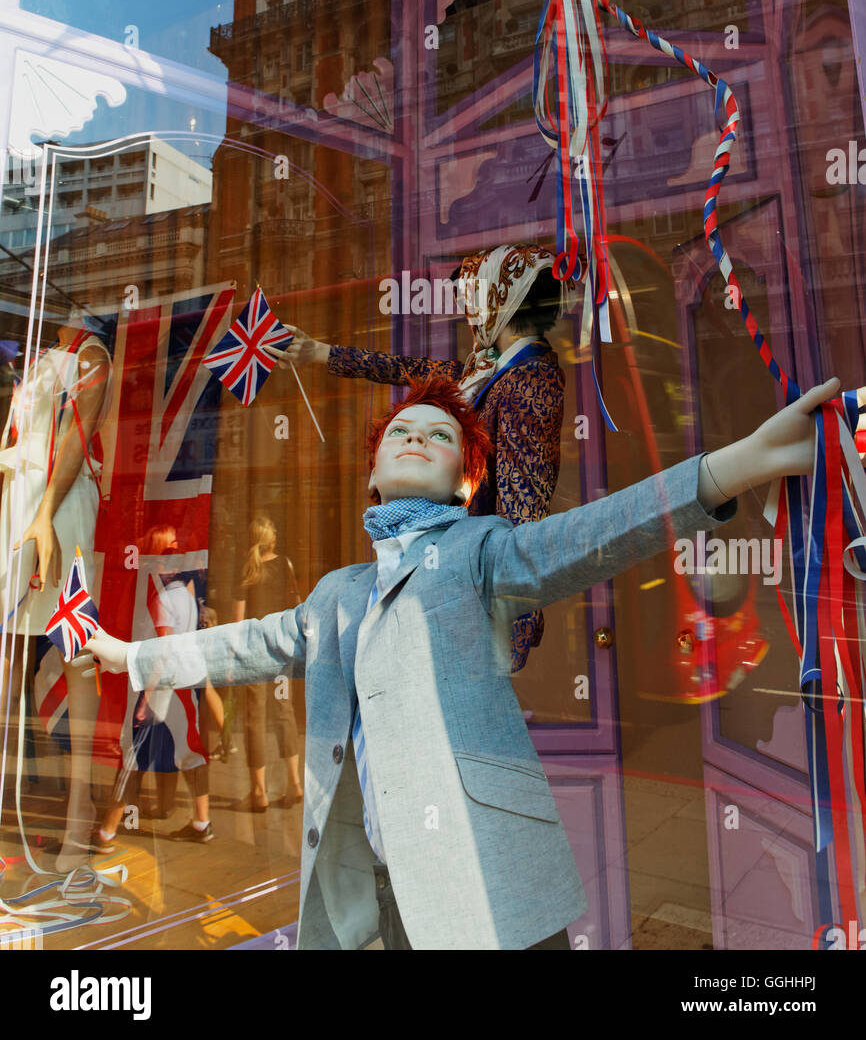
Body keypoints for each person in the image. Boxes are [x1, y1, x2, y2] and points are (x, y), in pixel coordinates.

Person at [77, 372, 840, 950]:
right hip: (378, 880)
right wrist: (132, 653)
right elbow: (243, 644)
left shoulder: (479, 550)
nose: (415, 437)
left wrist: (731, 467)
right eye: (400, 430)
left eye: (439, 436)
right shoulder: (336, 594)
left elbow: (591, 536)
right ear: (372, 474)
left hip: (483, 876)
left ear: (467, 483)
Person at [266, 244, 575, 671]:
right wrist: (321, 353)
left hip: (479, 588)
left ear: (500, 302)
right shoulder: (490, 368)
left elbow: (525, 500)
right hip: (457, 570)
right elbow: (409, 369)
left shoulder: (529, 378)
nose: (468, 312)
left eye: (474, 298)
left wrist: (514, 618)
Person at [0, 317, 111, 870]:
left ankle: (80, 807)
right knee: (8, 650)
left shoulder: (92, 354)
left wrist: (44, 513)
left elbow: (78, 433)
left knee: (73, 648)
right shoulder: (36, 357)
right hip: (20, 503)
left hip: (61, 507)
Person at [93, 525, 214, 850]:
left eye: (157, 557)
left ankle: (107, 831)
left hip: (163, 686)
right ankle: (201, 821)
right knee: (192, 752)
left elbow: (162, 650)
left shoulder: (163, 599)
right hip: (185, 683)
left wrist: (146, 698)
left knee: (132, 757)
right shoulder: (187, 596)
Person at [231, 515, 303, 811]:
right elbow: (297, 606)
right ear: (271, 538)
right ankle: (294, 784)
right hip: (281, 651)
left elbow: (237, 622)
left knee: (255, 720)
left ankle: (259, 792)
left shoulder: (247, 569)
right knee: (284, 714)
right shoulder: (285, 564)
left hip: (253, 653)